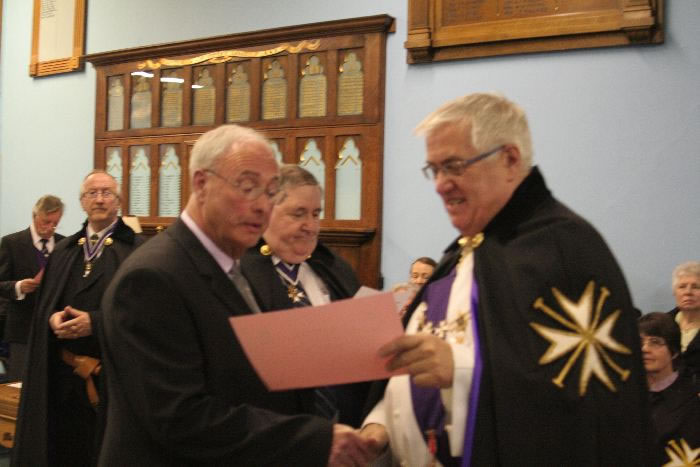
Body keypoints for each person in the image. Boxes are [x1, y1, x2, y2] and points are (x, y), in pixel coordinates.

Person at [361, 93, 651, 465]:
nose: (440, 185)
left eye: (453, 166)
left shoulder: (561, 250)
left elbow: (588, 404)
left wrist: (461, 371)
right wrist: (380, 424)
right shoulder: (465, 256)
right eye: (434, 169)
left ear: (510, 160)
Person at [98, 125, 374, 465]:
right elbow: (180, 417)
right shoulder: (152, 278)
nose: (262, 206)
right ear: (201, 184)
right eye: (248, 187)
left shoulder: (233, 266)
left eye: (270, 192)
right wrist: (313, 440)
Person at [12, 171, 144, 466]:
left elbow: (146, 315)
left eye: (107, 193)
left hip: (110, 380)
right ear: (82, 202)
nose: (99, 199)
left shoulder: (138, 251)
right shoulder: (64, 250)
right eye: (91, 194)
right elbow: (47, 305)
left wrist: (95, 322)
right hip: (62, 378)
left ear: (119, 201)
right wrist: (51, 319)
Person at [241, 164, 370, 428]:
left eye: (316, 213)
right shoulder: (239, 274)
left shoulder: (333, 267)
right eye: (298, 214)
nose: (310, 226)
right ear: (266, 211)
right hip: (276, 426)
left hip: (346, 424)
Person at [0, 195, 64, 381]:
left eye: (55, 223)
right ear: (35, 216)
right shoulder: (12, 243)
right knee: (20, 384)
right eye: (46, 222)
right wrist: (19, 286)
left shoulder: (64, 245)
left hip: (55, 331)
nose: (50, 228)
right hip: (22, 330)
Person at [638, 312, 700, 466]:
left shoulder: (693, 402)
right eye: (639, 342)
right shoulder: (624, 397)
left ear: (674, 352)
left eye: (655, 342)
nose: (645, 348)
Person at [668, 261, 700, 383]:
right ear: (674, 292)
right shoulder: (660, 324)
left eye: (696, 287)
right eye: (682, 287)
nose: (688, 292)